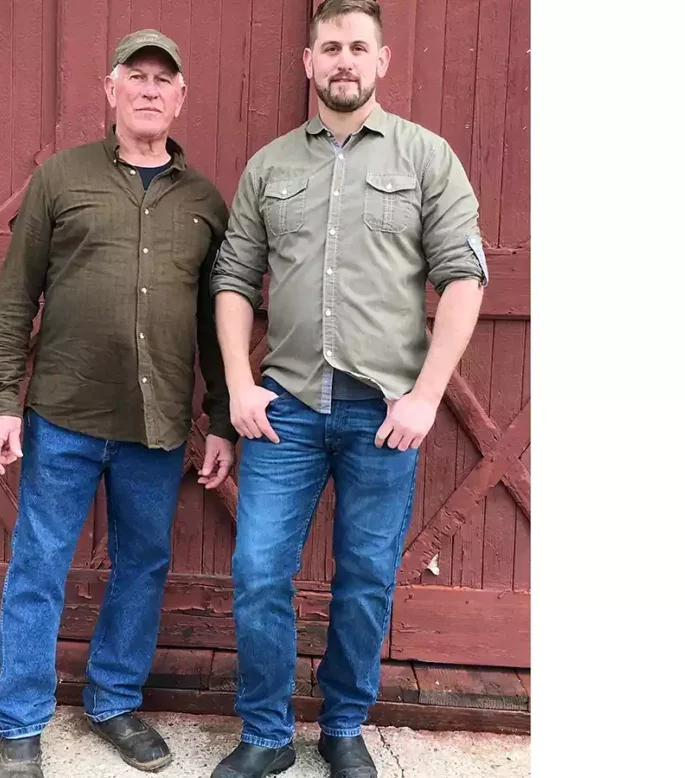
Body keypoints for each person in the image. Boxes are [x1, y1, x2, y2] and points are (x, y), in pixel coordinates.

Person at [208, 1, 489, 776]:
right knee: (259, 572)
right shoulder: (271, 167)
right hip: (286, 410)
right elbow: (233, 279)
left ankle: (343, 726)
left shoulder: (426, 159)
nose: (343, 60)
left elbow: (464, 278)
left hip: (384, 415)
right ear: (308, 62)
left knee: (364, 580)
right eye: (329, 47)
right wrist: (239, 384)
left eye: (357, 47)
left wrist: (427, 395)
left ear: (381, 62)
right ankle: (266, 736)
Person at [0, 28, 237, 778]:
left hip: (155, 431)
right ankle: (19, 721)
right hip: (61, 417)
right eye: (137, 75)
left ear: (181, 97)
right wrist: (2, 400)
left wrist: (221, 418)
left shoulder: (203, 201)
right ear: (112, 89)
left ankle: (114, 702)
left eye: (165, 78)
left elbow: (216, 317)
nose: (151, 88)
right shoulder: (61, 179)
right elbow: (13, 295)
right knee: (38, 564)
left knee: (143, 566)